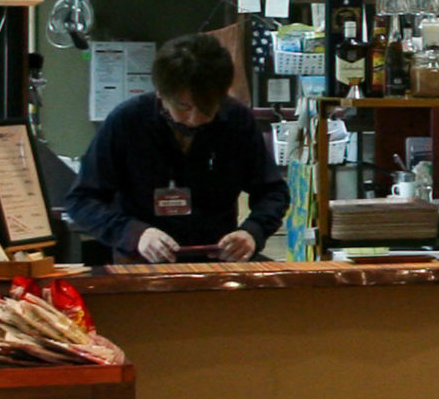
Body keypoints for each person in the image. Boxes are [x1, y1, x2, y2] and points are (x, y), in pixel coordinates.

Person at [65, 32, 287, 263]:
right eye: (183, 106)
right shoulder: (127, 122)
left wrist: (252, 232)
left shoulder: (237, 121)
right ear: (161, 93)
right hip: (141, 262)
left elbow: (273, 191)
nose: (194, 118)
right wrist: (134, 234)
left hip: (217, 260)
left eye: (206, 107)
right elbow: (81, 201)